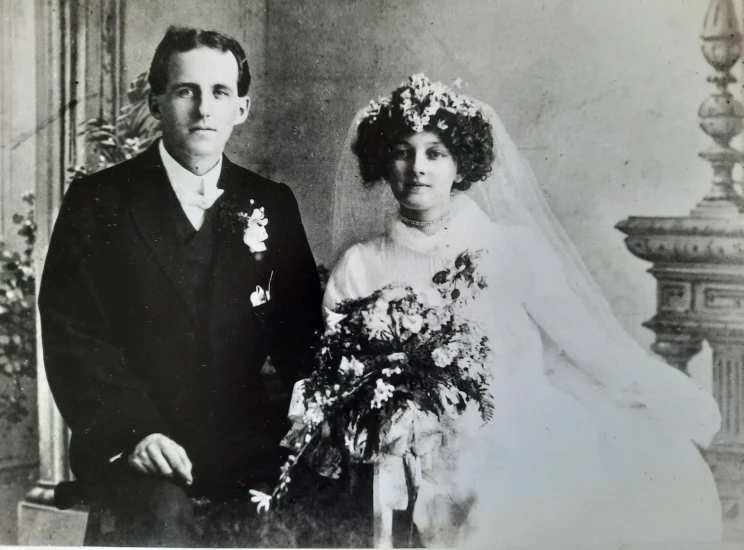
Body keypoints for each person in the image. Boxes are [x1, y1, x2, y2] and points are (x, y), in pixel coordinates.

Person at [322, 74, 723, 547]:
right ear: (381, 163)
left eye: (436, 152)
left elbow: (587, 344)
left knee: (507, 504)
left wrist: (657, 392)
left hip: (516, 427)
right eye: (401, 151)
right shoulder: (361, 265)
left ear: (461, 164)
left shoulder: (513, 249)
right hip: (408, 443)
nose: (417, 168)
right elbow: (339, 372)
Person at [38, 26, 322, 546]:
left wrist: (311, 423)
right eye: (186, 90)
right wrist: (133, 432)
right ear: (156, 101)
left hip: (244, 440)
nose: (203, 109)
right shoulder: (97, 202)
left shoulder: (272, 203)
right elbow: (73, 335)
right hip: (136, 444)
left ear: (242, 108)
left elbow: (303, 337)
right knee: (163, 522)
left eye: (220, 93)